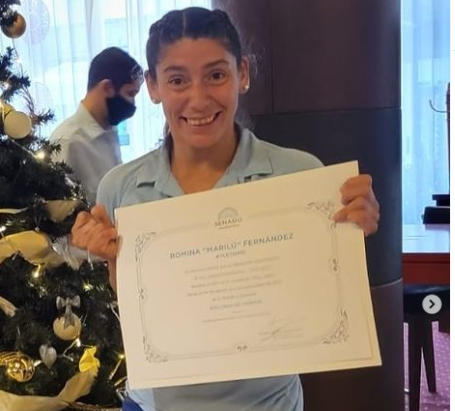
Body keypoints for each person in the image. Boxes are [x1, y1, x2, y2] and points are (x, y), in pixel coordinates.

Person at [71, 7, 380, 411]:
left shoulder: (301, 175)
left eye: (216, 75)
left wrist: (354, 227)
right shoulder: (120, 188)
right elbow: (139, 307)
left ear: (243, 73)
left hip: (267, 405)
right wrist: (106, 256)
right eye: (177, 80)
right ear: (153, 86)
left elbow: (319, 292)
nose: (199, 99)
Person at [49, 47, 143, 204]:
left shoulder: (109, 129)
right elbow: (59, 209)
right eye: (130, 94)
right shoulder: (67, 142)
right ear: (107, 88)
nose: (132, 103)